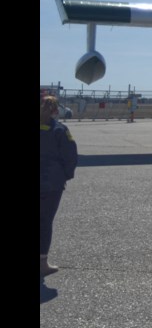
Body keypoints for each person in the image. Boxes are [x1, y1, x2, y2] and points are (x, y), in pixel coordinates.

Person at [40, 96, 78, 277]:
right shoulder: (60, 130)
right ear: (55, 110)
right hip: (51, 183)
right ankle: (42, 263)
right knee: (45, 222)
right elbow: (70, 155)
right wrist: (65, 175)